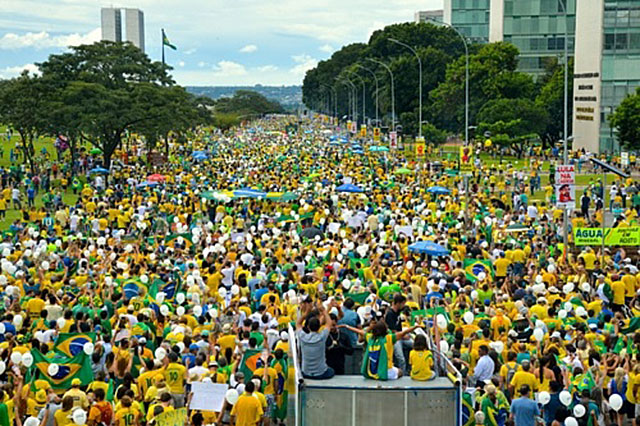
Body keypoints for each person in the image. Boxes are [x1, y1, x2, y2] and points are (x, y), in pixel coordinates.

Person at [296, 298, 334, 379]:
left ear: (308, 327)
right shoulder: (322, 337)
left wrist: (306, 312)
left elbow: (298, 324)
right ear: (319, 326)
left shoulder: (302, 337)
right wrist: (324, 311)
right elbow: (329, 323)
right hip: (320, 373)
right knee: (332, 370)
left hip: (305, 372)